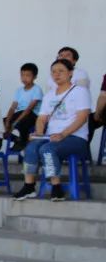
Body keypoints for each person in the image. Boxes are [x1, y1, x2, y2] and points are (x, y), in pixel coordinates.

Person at [14, 58, 92, 202]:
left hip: (75, 138)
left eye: (61, 71)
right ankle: (29, 186)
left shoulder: (79, 92)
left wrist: (63, 134)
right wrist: (38, 133)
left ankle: (56, 188)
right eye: (54, 72)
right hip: (52, 137)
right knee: (31, 148)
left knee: (47, 149)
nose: (57, 74)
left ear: (70, 73)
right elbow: (41, 119)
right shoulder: (49, 95)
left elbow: (82, 118)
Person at [2, 63, 43, 152]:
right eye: (22, 75)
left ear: (35, 77)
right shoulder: (19, 90)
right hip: (20, 113)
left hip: (33, 115)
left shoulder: (37, 89)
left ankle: (23, 141)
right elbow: (13, 107)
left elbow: (29, 109)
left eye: (28, 75)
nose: (24, 78)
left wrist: (14, 123)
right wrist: (8, 122)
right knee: (0, 123)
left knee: (22, 122)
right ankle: (17, 139)